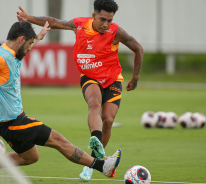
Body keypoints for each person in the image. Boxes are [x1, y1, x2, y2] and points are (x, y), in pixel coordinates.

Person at [0, 21, 122, 183]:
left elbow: (28, 45)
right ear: (21, 39)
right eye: (28, 44)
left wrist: (40, 35)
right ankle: (102, 166)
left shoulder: (14, 52)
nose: (29, 49)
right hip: (11, 122)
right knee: (58, 140)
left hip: (10, 119)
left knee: (30, 157)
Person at [17, 0, 143, 181]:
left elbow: (138, 48)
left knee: (108, 119)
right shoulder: (79, 25)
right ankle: (96, 144)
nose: (106, 24)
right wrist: (28, 18)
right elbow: (53, 21)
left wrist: (136, 78)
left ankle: (94, 160)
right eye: (102, 19)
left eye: (109, 20)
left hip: (112, 79)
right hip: (89, 77)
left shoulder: (116, 31)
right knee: (94, 103)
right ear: (94, 15)